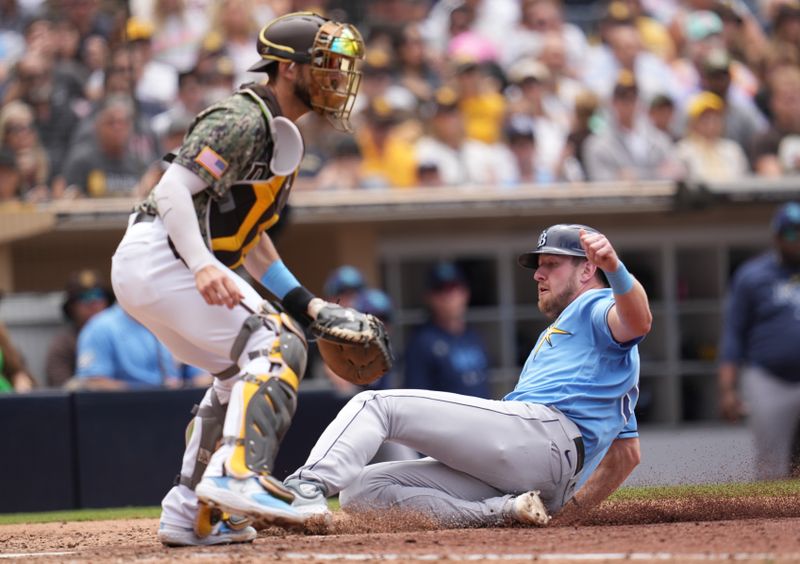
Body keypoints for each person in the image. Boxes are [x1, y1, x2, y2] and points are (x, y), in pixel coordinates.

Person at [109, 11, 365, 547]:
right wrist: (202, 264)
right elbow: (173, 190)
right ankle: (238, 474)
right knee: (275, 342)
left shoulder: (284, 139)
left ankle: (193, 511)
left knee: (239, 371)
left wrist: (309, 306)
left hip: (163, 262)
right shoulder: (242, 116)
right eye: (327, 66)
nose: (339, 80)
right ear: (289, 70)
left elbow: (250, 239)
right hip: (163, 253)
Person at [281, 224, 649, 529]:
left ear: (587, 269)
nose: (538, 273)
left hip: (541, 435)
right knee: (362, 491)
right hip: (540, 473)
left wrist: (615, 268)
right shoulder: (606, 362)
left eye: (551, 264)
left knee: (376, 404)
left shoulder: (596, 305)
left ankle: (303, 487)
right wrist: (568, 516)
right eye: (539, 265)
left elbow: (638, 321)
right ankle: (504, 512)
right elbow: (626, 455)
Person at [718, 202, 800, 480]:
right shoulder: (753, 275)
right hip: (769, 377)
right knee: (771, 462)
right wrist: (728, 389)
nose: (797, 239)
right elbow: (734, 333)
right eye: (790, 234)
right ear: (776, 236)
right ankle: (768, 524)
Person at [404, 261, 492, 398]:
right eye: (440, 290)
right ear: (429, 297)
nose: (448, 297)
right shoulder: (422, 343)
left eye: (454, 288)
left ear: (465, 293)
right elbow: (416, 399)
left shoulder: (474, 336)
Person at [69, 303, 204, 390]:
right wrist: (152, 391)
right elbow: (94, 383)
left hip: (178, 407)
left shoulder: (175, 321)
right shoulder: (100, 327)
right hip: (125, 414)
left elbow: (205, 376)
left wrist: (187, 386)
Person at [44, 269, 113, 388]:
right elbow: (61, 386)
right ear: (72, 307)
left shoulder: (122, 336)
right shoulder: (63, 343)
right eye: (84, 297)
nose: (93, 302)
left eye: (98, 295)